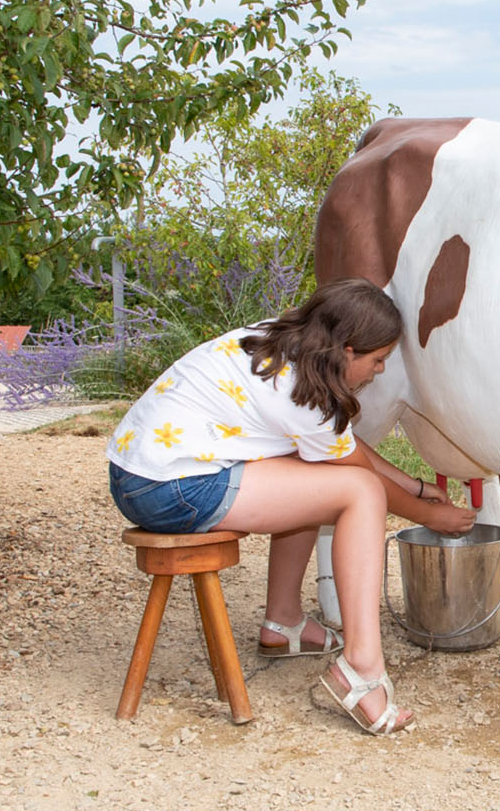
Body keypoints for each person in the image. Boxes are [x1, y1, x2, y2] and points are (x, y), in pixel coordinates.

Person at [105, 277, 476, 734]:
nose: (379, 371)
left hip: (138, 473)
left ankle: (284, 624)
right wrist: (430, 514)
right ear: (348, 351)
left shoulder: (287, 344)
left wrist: (415, 486)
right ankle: (361, 668)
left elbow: (339, 447)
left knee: (316, 473)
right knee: (359, 492)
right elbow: (356, 471)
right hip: (171, 488)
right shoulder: (302, 395)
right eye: (378, 360)